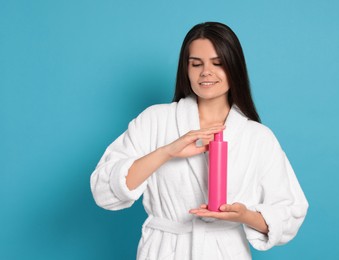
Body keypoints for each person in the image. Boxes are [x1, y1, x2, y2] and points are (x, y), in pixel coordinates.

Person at [90, 21, 308, 260]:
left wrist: (244, 215)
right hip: (164, 251)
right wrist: (167, 152)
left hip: (226, 251)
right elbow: (104, 191)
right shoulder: (155, 120)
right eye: (196, 64)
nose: (206, 72)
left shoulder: (257, 136)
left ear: (234, 68)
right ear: (186, 69)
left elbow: (290, 212)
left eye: (218, 63)